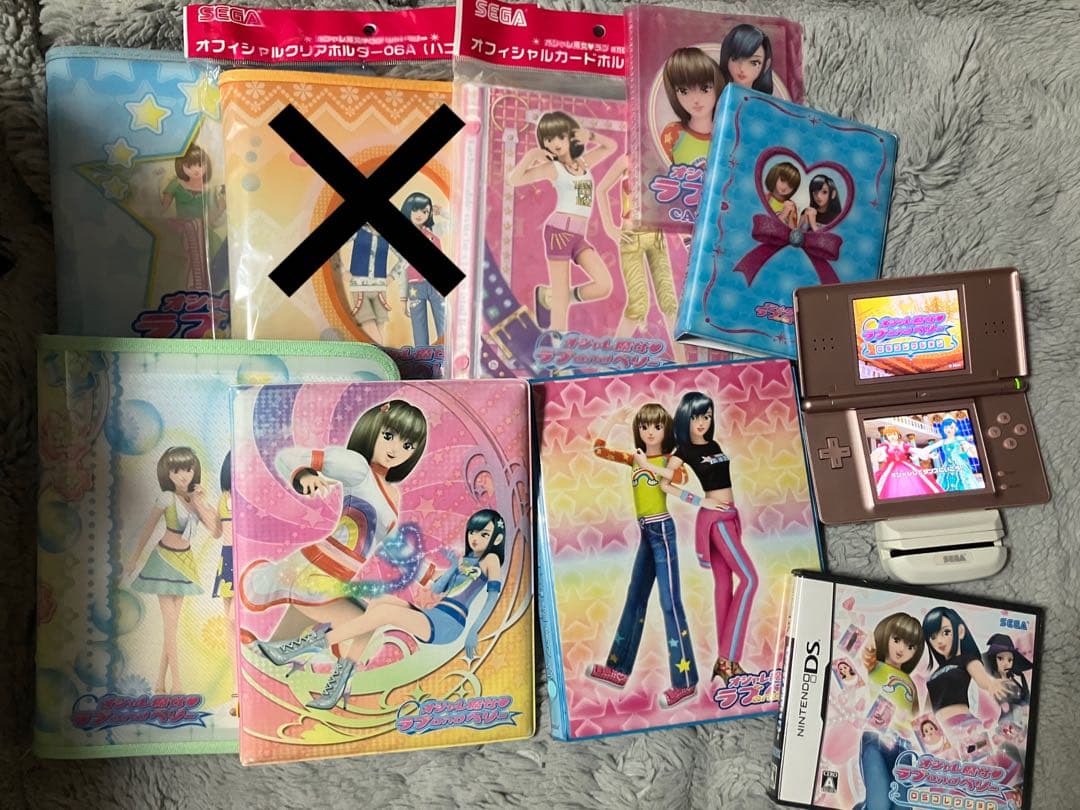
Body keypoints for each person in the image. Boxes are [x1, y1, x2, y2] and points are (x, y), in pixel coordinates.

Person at [257, 509, 508, 710]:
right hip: (435, 614)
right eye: (472, 532)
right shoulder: (466, 560)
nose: (475, 538)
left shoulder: (491, 560)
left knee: (385, 613)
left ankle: (304, 647)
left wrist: (475, 631)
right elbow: (438, 589)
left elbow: (492, 598)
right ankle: (341, 678)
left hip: (449, 624)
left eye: (484, 534)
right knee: (379, 604)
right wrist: (453, 566)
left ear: (496, 538)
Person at [238, 400, 428, 626]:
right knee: (361, 624)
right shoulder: (357, 468)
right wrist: (304, 476)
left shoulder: (393, 494)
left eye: (408, 445)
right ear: (373, 428)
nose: (395, 450)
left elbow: (394, 545)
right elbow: (287, 458)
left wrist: (430, 574)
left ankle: (260, 645)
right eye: (388, 436)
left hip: (338, 573)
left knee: (300, 636)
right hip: (319, 566)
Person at [584, 403, 699, 709]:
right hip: (646, 533)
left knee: (670, 603)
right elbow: (599, 450)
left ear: (666, 429)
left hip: (663, 532)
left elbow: (680, 479)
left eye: (657, 426)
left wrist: (648, 465)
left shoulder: (670, 461)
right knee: (635, 597)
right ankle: (618, 669)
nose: (650, 432)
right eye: (644, 426)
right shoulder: (634, 459)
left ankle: (685, 682)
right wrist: (612, 420)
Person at [508, 110, 617, 332]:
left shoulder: (583, 163)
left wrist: (591, 136)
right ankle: (558, 346)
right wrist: (531, 156)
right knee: (561, 301)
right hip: (559, 232)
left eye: (560, 136)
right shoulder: (553, 168)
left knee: (604, 285)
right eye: (548, 139)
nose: (554, 143)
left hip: (578, 236)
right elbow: (514, 179)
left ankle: (550, 296)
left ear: (571, 136)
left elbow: (611, 147)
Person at [125, 447, 222, 694]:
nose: (183, 475)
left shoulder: (195, 499)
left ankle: (160, 684)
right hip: (164, 561)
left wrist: (199, 502)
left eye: (187, 469)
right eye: (176, 470)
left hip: (185, 563)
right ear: (167, 473)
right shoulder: (166, 498)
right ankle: (177, 686)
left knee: (172, 628)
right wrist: (134, 559)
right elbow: (148, 528)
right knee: (171, 628)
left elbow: (216, 532)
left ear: (194, 470)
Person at [596, 156, 685, 363]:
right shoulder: (627, 160)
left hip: (657, 235)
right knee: (638, 305)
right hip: (631, 236)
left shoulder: (662, 158)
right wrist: (610, 228)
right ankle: (610, 362)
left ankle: (683, 364)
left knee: (669, 302)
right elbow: (601, 189)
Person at [854, 613, 924, 810]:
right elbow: (865, 652)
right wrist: (870, 641)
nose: (902, 649)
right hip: (875, 738)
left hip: (904, 746)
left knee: (901, 805)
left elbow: (917, 718)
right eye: (897, 640)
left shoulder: (911, 683)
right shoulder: (874, 666)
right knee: (880, 802)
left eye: (910, 646)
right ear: (886, 636)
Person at [922, 607, 1018, 745]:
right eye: (933, 637)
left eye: (946, 632)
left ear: (960, 631)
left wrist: (991, 684)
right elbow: (925, 712)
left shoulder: (966, 659)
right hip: (941, 732)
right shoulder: (933, 676)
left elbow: (982, 678)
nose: (939, 641)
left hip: (964, 725)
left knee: (978, 757)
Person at [161, 144, 224, 290]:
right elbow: (163, 208)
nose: (196, 170)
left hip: (203, 230)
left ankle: (203, 286)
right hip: (181, 228)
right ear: (181, 167)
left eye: (200, 165)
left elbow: (212, 219)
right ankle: (190, 285)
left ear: (206, 166)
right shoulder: (176, 184)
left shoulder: (209, 190)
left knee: (215, 252)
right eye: (189, 166)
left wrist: (221, 207)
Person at [393, 191, 446, 346]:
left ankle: (445, 356)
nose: (420, 215)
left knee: (444, 326)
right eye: (415, 209)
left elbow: (457, 224)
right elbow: (403, 269)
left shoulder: (433, 231)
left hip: (436, 287)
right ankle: (422, 358)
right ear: (408, 209)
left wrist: (443, 212)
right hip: (415, 286)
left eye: (425, 211)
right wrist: (403, 298)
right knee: (419, 328)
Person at [659, 47, 724, 167]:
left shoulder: (727, 137)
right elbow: (659, 169)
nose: (695, 100)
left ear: (717, 86)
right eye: (684, 91)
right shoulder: (673, 133)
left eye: (705, 89)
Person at [869, 427, 943, 499]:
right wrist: (873, 457)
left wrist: (929, 455)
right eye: (889, 435)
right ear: (886, 436)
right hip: (891, 469)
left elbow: (915, 450)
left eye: (894, 434)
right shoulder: (885, 447)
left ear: (898, 435)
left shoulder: (903, 445)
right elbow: (875, 454)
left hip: (906, 466)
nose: (892, 436)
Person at [922, 417, 981, 492]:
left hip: (960, 465)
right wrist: (925, 453)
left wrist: (971, 449)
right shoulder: (943, 441)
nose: (948, 430)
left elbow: (967, 447)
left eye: (951, 427)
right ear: (943, 429)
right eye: (946, 427)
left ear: (955, 428)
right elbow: (930, 447)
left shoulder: (959, 438)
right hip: (948, 466)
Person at [719, 24, 775, 94]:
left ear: (766, 65)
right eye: (735, 58)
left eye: (754, 63)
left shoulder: (764, 100)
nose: (742, 68)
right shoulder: (717, 95)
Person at [764, 162, 800, 229]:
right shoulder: (766, 198)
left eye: (790, 185)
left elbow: (792, 231)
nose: (785, 186)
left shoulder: (791, 205)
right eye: (782, 180)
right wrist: (784, 214)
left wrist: (790, 216)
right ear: (774, 176)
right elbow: (766, 226)